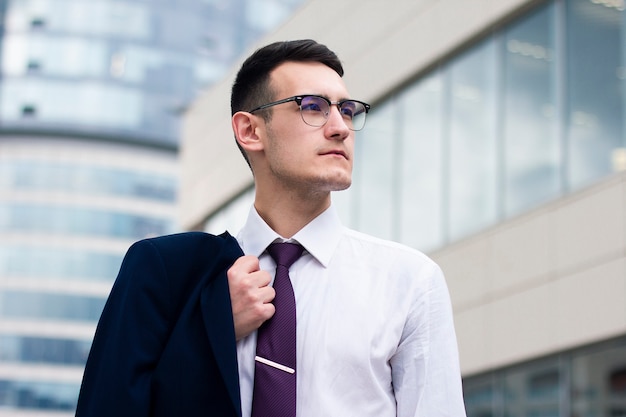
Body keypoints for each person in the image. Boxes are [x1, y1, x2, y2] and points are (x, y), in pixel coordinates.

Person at [75, 39, 466, 417]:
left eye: (346, 110)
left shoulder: (409, 281)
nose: (340, 128)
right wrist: (211, 329)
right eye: (312, 107)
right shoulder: (169, 271)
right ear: (249, 130)